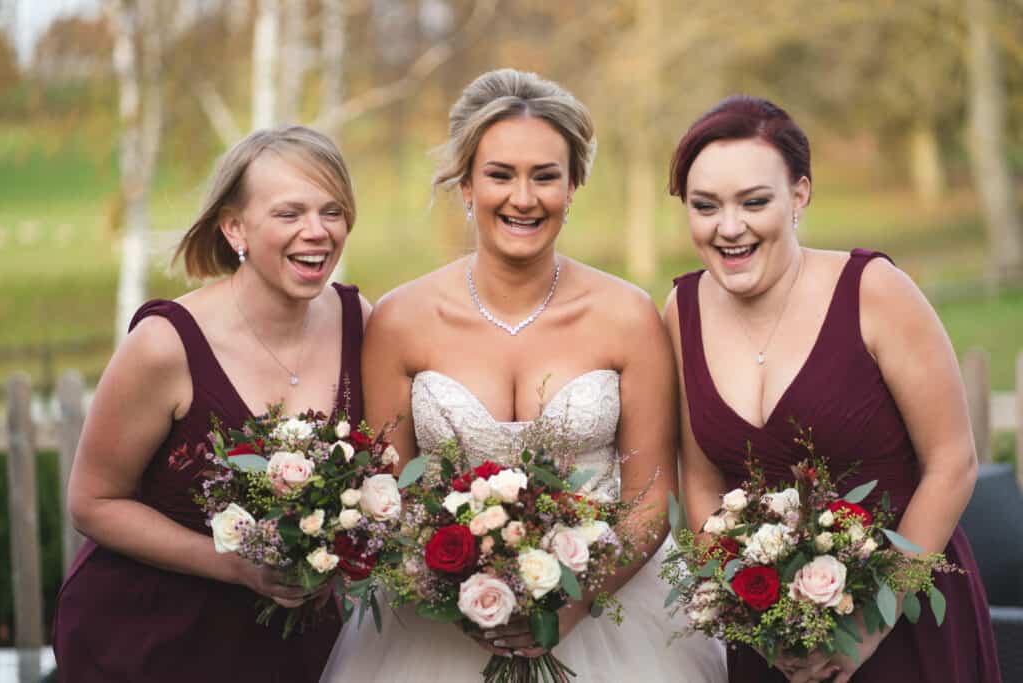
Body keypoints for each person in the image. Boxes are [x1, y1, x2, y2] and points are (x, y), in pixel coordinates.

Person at [321, 68, 726, 682]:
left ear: (572, 186)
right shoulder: (401, 320)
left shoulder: (627, 317)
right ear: (465, 185)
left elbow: (650, 501)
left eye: (545, 176)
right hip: (434, 636)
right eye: (500, 174)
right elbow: (388, 500)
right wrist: (455, 597)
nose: (524, 198)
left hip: (610, 620)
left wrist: (577, 600)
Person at [665, 95, 1002, 683]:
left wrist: (870, 625)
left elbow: (953, 462)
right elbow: (699, 481)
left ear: (800, 195)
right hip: (771, 644)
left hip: (904, 624)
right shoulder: (681, 308)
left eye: (755, 201)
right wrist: (748, 615)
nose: (729, 227)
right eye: (705, 206)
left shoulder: (875, 290)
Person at [53, 125, 371, 682]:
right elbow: (93, 502)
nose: (317, 232)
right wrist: (236, 565)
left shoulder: (358, 320)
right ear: (234, 227)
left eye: (332, 211)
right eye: (289, 214)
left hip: (293, 652)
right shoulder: (165, 344)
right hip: (154, 644)